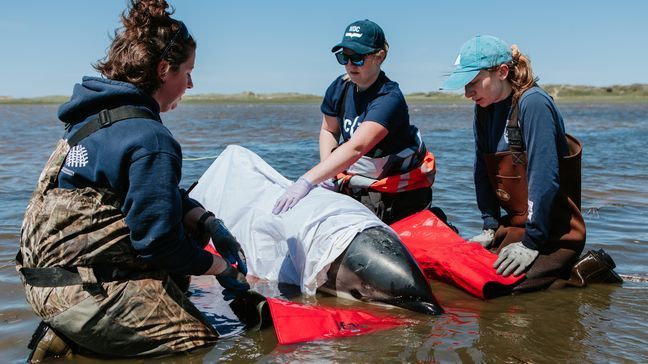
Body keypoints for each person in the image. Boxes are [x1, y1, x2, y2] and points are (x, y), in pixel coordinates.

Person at [16, 0, 250, 360]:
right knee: (197, 344)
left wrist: (206, 220)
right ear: (162, 69)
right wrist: (220, 267)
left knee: (189, 228)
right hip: (83, 295)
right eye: (187, 72)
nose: (190, 83)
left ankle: (83, 330)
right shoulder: (150, 138)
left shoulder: (89, 121)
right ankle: (83, 339)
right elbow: (159, 243)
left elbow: (143, 194)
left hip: (40, 284)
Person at [441, 35, 586, 292]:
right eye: (464, 84)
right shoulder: (484, 108)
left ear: (502, 72)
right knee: (461, 276)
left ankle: (586, 270)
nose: (467, 93)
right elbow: (481, 169)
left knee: (501, 290)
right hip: (516, 226)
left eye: (473, 82)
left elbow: (544, 179)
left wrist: (532, 242)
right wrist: (490, 224)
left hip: (555, 232)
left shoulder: (534, 104)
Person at [273, 19, 435, 224]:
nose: (350, 64)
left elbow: (356, 147)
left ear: (380, 57)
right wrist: (327, 175)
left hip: (396, 195)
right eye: (344, 57)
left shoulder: (389, 98)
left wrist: (306, 181)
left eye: (357, 58)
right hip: (357, 182)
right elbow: (329, 130)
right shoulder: (339, 88)